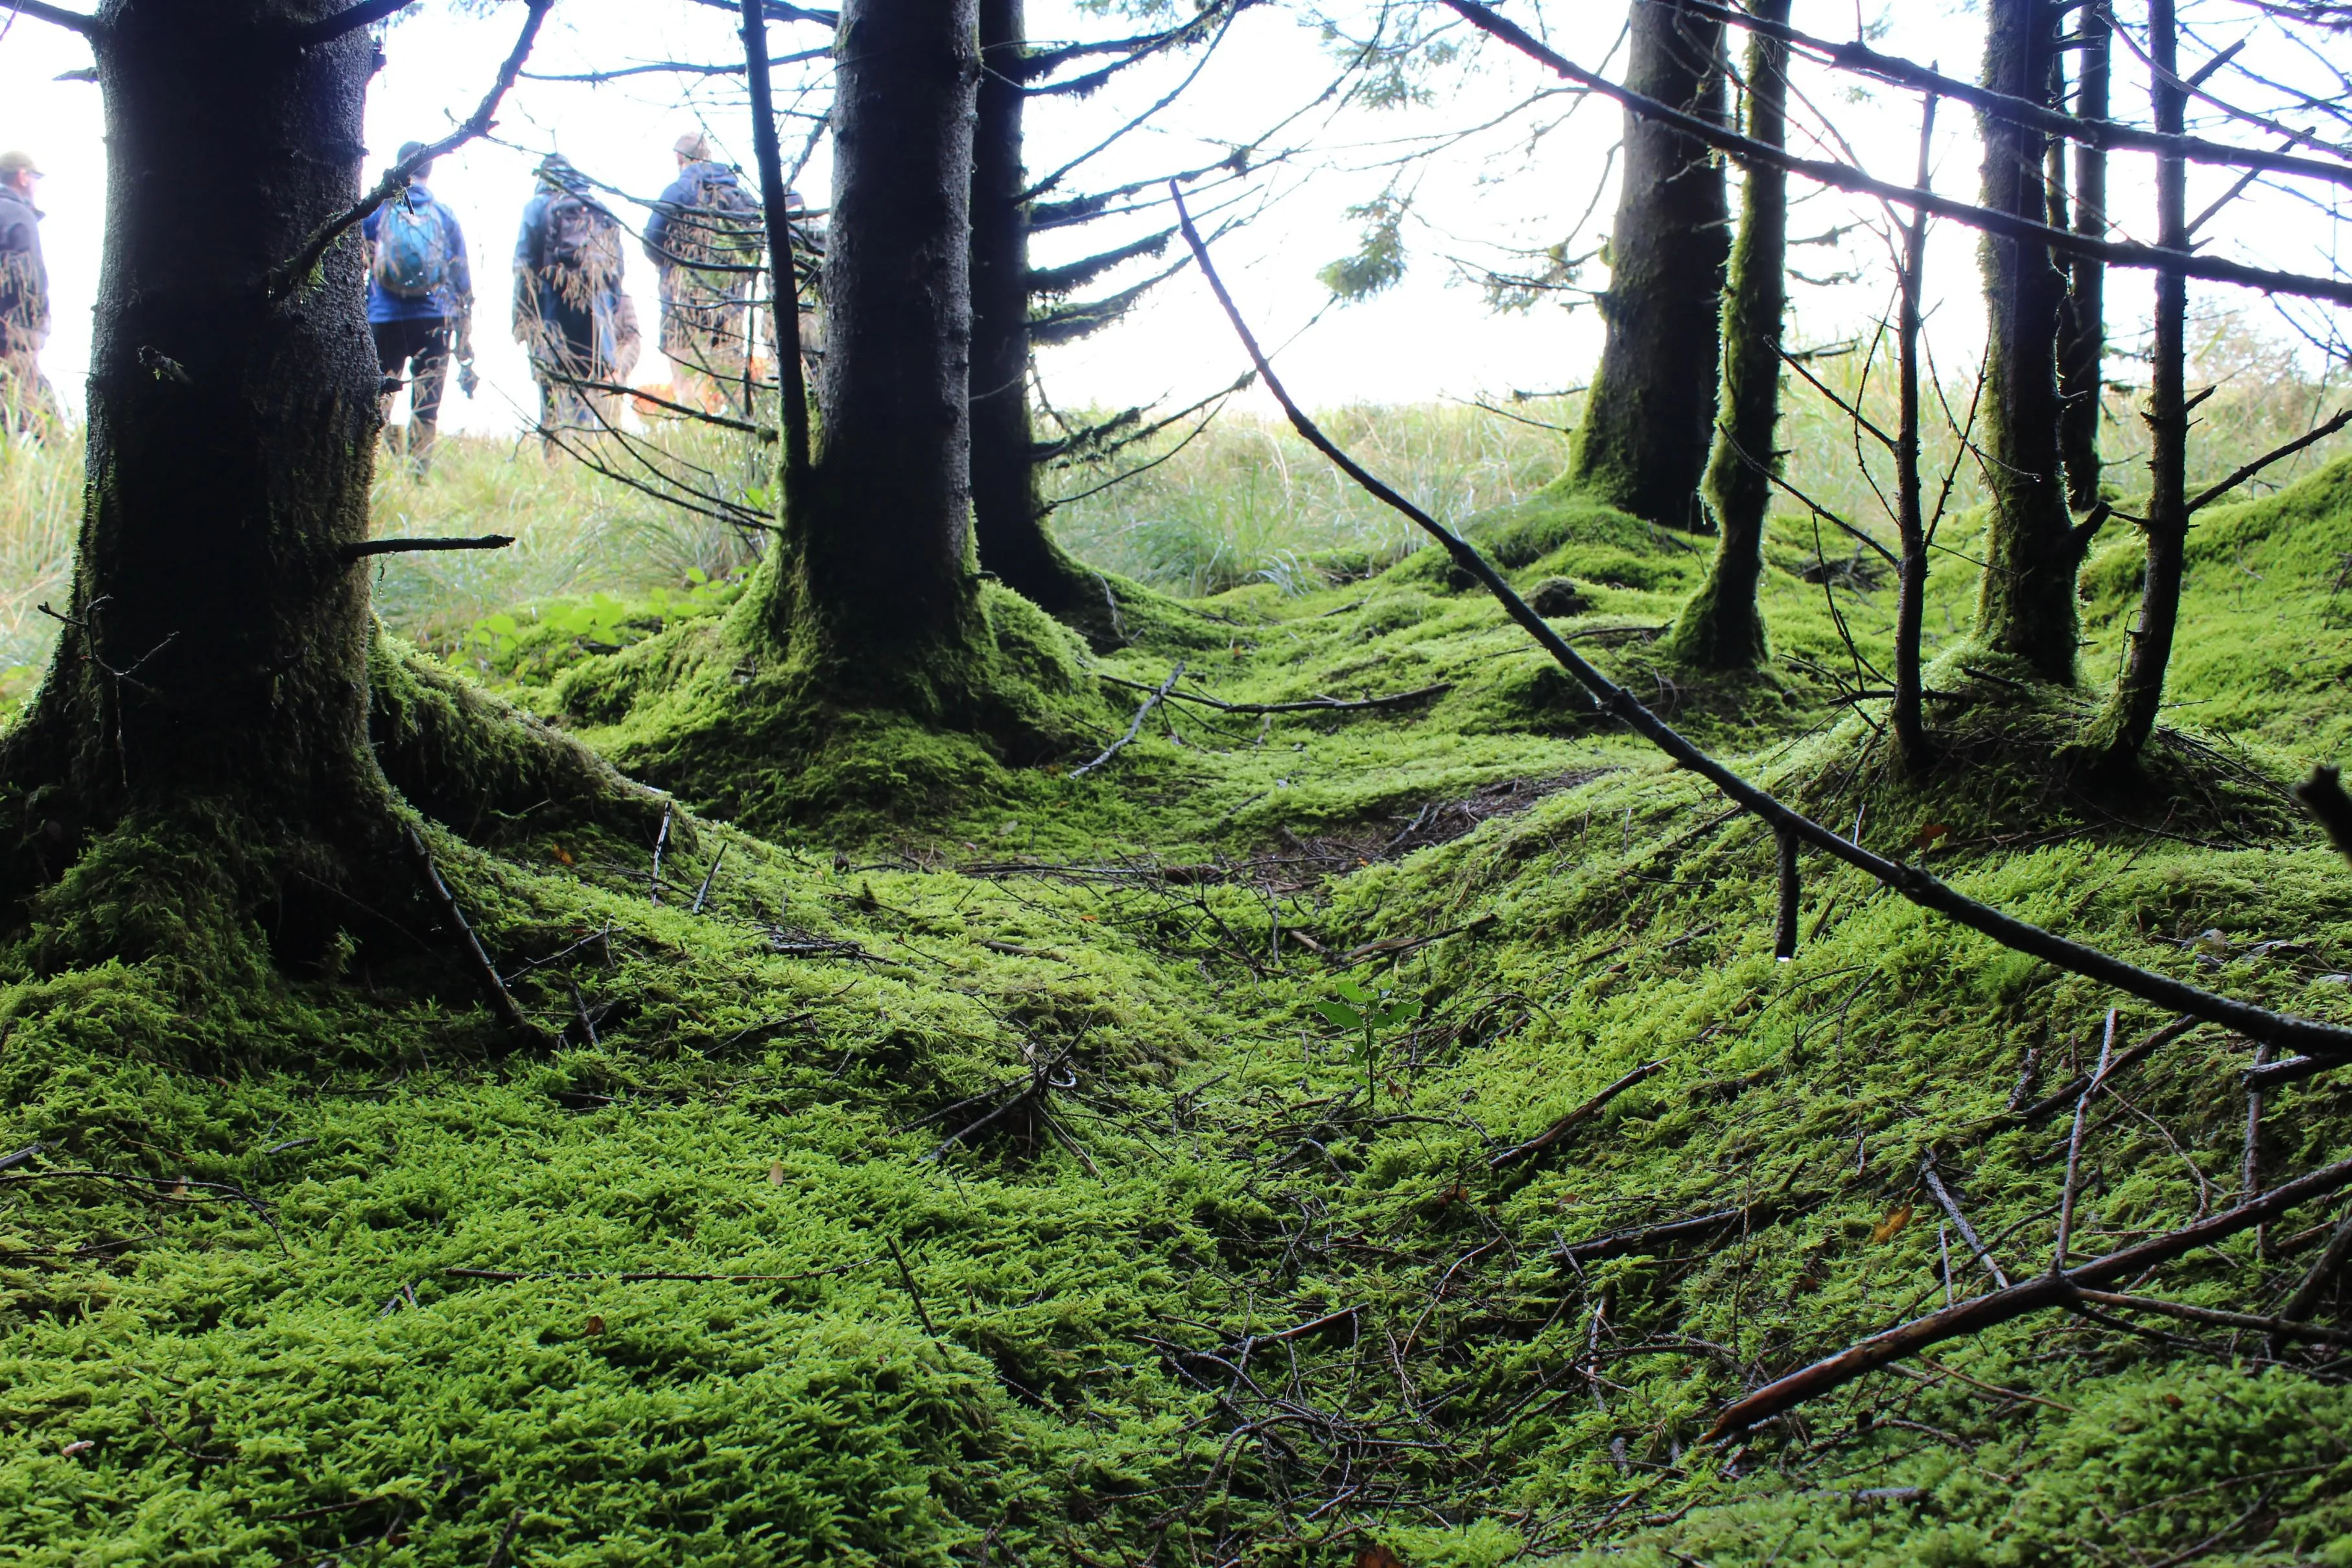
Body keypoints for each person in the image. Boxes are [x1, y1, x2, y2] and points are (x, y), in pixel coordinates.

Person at [514, 152, 639, 449]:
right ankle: (586, 454)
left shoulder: (536, 208)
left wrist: (521, 319)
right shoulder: (599, 208)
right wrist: (607, 312)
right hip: (595, 317)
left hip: (550, 313)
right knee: (589, 391)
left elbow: (523, 269)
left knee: (551, 392)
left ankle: (556, 460)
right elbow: (617, 271)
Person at [362, 141, 473, 474]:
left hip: (384, 317)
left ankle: (375, 467)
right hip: (434, 318)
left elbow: (361, 258)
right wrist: (462, 320)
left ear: (399, 166)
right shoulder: (444, 214)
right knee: (427, 401)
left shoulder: (379, 210)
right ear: (429, 170)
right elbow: (460, 273)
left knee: (380, 393)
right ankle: (418, 472)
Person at [643, 131, 762, 414]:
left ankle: (695, 441)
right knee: (732, 392)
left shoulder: (676, 192)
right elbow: (756, 245)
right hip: (730, 310)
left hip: (683, 310)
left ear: (680, 157)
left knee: (689, 396)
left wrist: (674, 267)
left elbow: (651, 244)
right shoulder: (739, 196)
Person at [0, 150, 57, 438]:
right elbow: (25, 279)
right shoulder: (17, 214)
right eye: (34, 177)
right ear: (23, 177)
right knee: (45, 429)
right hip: (12, 342)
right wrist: (30, 333)